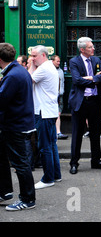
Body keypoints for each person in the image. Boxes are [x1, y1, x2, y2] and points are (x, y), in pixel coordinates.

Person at [0, 43, 36, 211]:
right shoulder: (18, 70)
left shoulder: (12, 75)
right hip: (18, 123)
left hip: (15, 125)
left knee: (21, 164)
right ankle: (5, 191)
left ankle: (28, 199)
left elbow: (2, 101)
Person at [68, 37, 101, 174]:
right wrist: (94, 80)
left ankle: (96, 161)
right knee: (77, 134)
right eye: (90, 47)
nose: (93, 49)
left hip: (94, 101)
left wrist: (91, 78)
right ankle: (74, 163)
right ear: (82, 49)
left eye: (93, 46)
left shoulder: (96, 60)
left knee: (95, 132)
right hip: (80, 102)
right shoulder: (74, 61)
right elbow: (76, 81)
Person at [28, 46, 61, 190]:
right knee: (51, 144)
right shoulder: (49, 66)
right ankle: (56, 174)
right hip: (50, 111)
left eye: (34, 56)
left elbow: (28, 82)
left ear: (43, 55)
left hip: (44, 112)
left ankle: (48, 178)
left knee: (44, 146)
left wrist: (30, 65)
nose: (32, 58)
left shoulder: (43, 68)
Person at [51, 55, 67, 140]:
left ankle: (57, 132)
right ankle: (57, 132)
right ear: (52, 61)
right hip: (53, 96)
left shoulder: (60, 71)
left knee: (58, 113)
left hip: (60, 95)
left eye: (59, 61)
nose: (58, 63)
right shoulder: (50, 70)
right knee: (56, 114)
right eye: (57, 61)